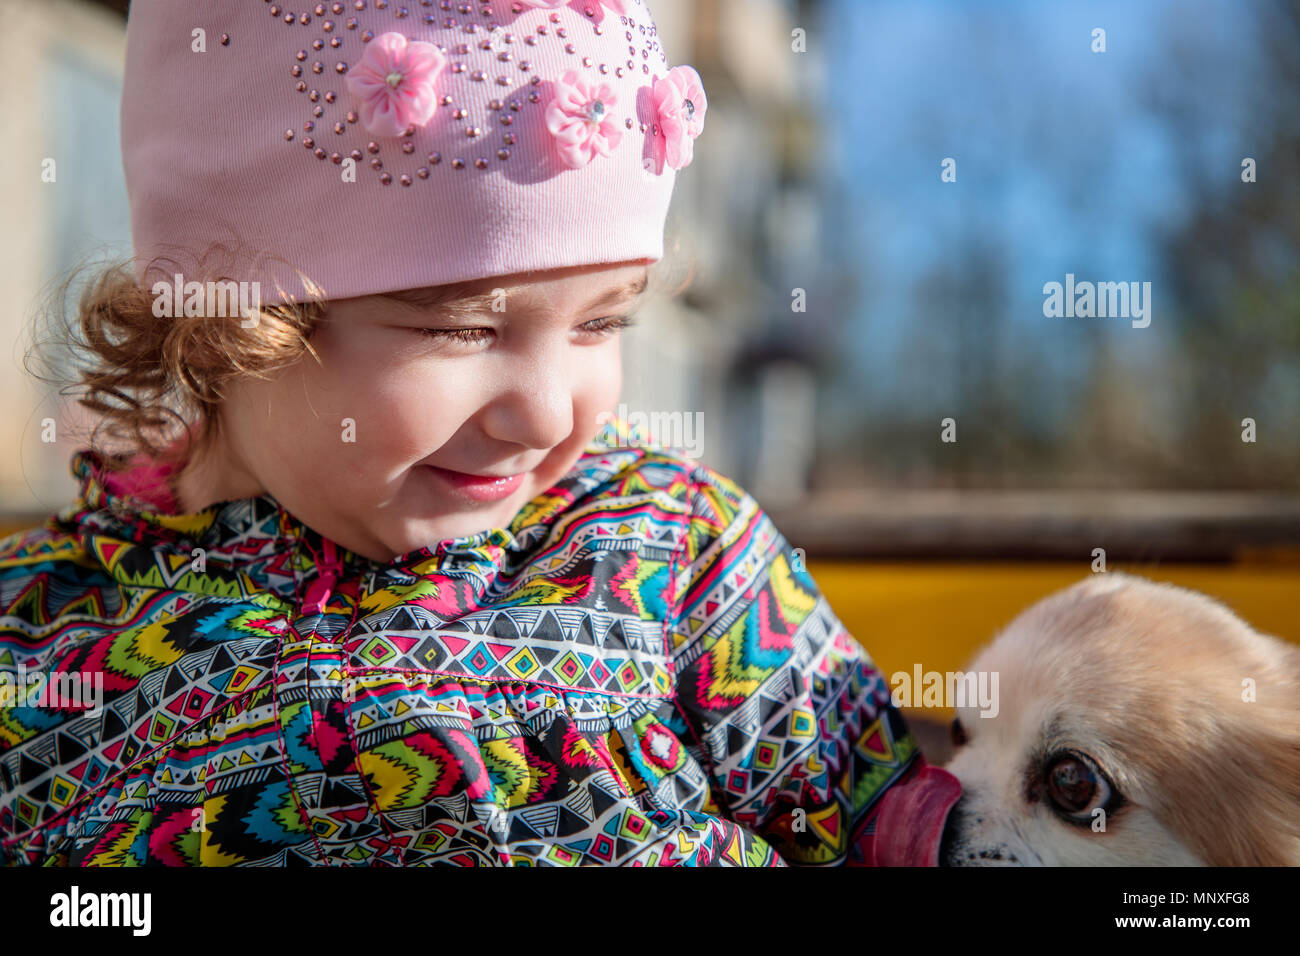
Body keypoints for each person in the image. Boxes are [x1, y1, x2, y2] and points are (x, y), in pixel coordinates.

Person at [0, 0, 959, 866]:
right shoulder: (43, 636)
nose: (547, 413)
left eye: (602, 322)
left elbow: (887, 834)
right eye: (462, 327)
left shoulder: (674, 549)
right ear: (229, 324)